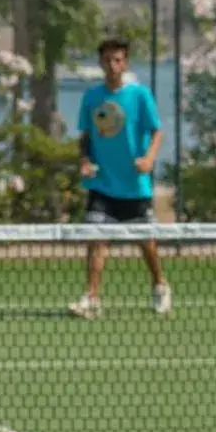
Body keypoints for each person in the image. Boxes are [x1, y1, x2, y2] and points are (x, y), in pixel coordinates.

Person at [69, 36, 171, 318]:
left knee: (146, 244)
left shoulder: (140, 95)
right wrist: (86, 160)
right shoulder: (92, 97)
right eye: (108, 60)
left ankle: (160, 286)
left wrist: (149, 158)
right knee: (97, 240)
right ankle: (92, 297)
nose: (113, 65)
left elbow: (157, 131)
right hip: (102, 185)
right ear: (100, 62)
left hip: (135, 187)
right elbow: (86, 136)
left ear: (125, 62)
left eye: (118, 60)